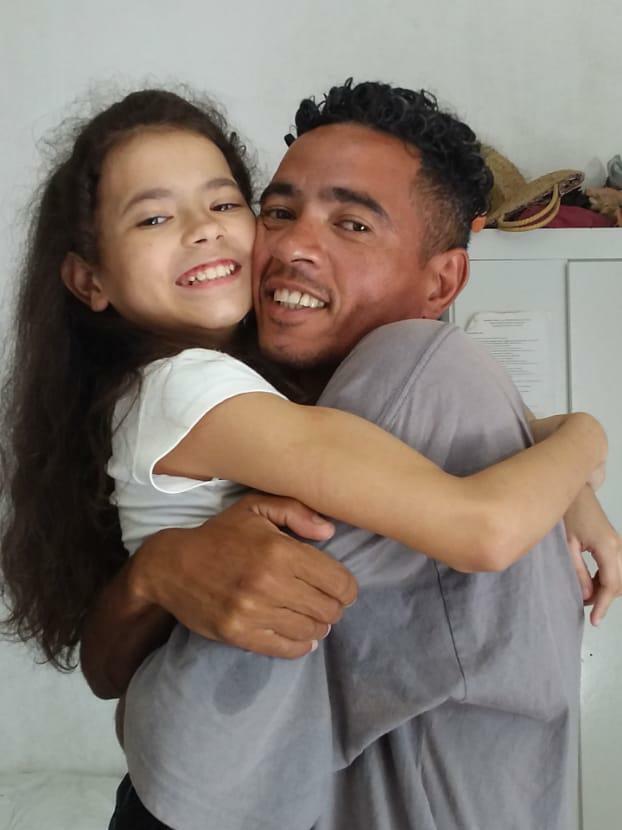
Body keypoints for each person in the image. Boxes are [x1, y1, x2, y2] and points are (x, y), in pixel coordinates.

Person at [1, 82, 619, 829]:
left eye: (352, 223)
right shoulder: (199, 388)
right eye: (279, 211)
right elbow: (482, 526)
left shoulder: (411, 380)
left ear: (443, 281)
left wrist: (565, 467)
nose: (291, 245)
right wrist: (588, 436)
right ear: (89, 278)